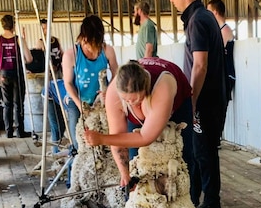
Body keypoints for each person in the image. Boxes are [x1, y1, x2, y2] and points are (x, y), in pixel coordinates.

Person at [159, 0, 227, 208]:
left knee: (202, 152)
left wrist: (192, 100)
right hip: (213, 97)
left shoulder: (198, 20)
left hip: (205, 99)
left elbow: (200, 64)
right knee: (202, 150)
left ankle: (210, 202)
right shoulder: (204, 16)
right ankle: (201, 198)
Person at [82, 58, 194, 199]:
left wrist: (102, 139)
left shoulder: (162, 87)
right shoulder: (114, 93)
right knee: (136, 162)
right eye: (126, 99)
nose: (129, 102)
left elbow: (145, 137)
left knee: (182, 158)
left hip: (177, 104)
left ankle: (189, 202)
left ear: (145, 89)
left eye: (134, 100)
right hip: (141, 106)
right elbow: (118, 138)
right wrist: (125, 174)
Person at [61, 15, 119, 152]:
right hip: (78, 100)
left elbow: (116, 75)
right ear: (83, 37)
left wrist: (108, 92)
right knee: (78, 141)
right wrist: (79, 104)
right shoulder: (71, 55)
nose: (91, 46)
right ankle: (74, 161)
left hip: (101, 99)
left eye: (95, 42)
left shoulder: (107, 51)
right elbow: (68, 83)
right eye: (87, 41)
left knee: (106, 133)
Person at [0, 14, 33, 138]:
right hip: (17, 73)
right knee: (18, 104)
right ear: (14, 25)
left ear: (3, 25)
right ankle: (20, 131)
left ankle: (8, 132)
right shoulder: (19, 39)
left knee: (7, 104)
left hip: (4, 75)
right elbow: (29, 59)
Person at [36, 18, 66, 153]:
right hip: (48, 72)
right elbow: (39, 58)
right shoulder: (41, 41)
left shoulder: (55, 40)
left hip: (58, 70)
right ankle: (56, 148)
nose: (45, 30)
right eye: (43, 28)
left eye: (47, 27)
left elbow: (61, 52)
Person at [207, 0, 236, 102]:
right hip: (221, 76)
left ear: (215, 12)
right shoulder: (219, 30)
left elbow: (216, 53)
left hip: (226, 76)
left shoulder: (225, 30)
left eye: (209, 11)